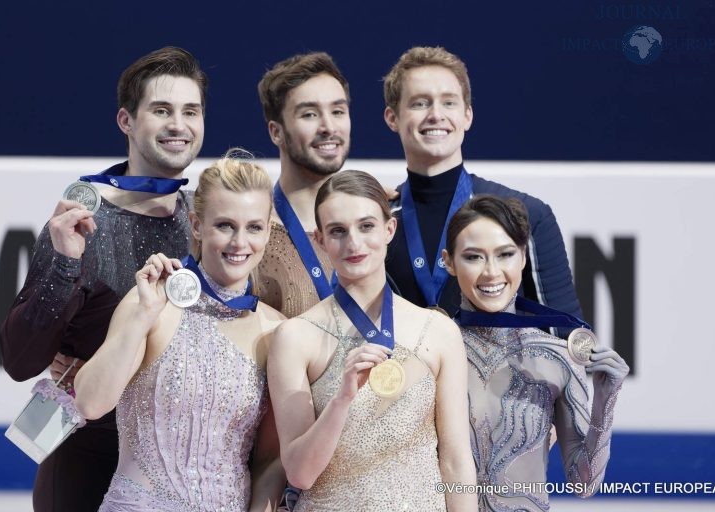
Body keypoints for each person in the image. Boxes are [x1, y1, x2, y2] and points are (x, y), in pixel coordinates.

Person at [0, 47, 206, 511]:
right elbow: (19, 361)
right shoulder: (81, 224)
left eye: (190, 111)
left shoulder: (207, 224)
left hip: (183, 475)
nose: (179, 124)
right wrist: (65, 267)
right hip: (88, 470)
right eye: (161, 110)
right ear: (125, 121)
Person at [74, 154, 285, 511]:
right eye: (224, 225)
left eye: (253, 227)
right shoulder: (153, 301)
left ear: (268, 231)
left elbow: (269, 461)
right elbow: (90, 403)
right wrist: (142, 316)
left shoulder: (276, 331)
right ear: (197, 225)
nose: (239, 242)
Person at [268, 170, 476, 511]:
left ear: (389, 229)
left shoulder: (439, 331)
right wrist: (342, 399)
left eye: (366, 226)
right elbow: (300, 475)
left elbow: (455, 462)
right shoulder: (294, 337)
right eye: (338, 231)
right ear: (320, 240)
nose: (354, 243)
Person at [441, 195, 628, 511]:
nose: (491, 272)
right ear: (448, 261)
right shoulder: (432, 350)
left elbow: (585, 484)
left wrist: (605, 401)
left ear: (524, 257)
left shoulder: (556, 358)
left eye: (505, 254)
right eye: (473, 257)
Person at [383, 46, 582, 330]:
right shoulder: (379, 221)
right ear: (392, 118)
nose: (436, 114)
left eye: (448, 102)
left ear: (467, 115)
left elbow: (566, 336)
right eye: (419, 103)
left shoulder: (527, 214)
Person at [256, 52, 350, 317]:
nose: (328, 126)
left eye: (338, 111)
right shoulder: (251, 238)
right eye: (309, 114)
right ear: (276, 132)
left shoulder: (376, 226)